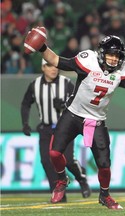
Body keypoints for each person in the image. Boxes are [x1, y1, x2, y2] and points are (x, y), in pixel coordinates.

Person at [24, 29, 125, 210]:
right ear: (102, 54)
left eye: (117, 56)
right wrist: (42, 47)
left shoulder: (123, 71)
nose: (114, 59)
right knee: (54, 153)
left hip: (96, 120)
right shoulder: (87, 61)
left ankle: (105, 195)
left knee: (104, 164)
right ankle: (61, 179)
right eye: (110, 55)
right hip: (73, 114)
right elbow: (57, 61)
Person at [21, 59, 91, 202]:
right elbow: (25, 103)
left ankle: (81, 180)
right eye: (49, 66)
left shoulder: (66, 83)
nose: (53, 69)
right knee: (46, 161)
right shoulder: (35, 85)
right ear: (43, 68)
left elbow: (79, 101)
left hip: (65, 128)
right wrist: (25, 123)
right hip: (46, 128)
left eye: (55, 66)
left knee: (69, 161)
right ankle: (59, 194)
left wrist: (65, 105)